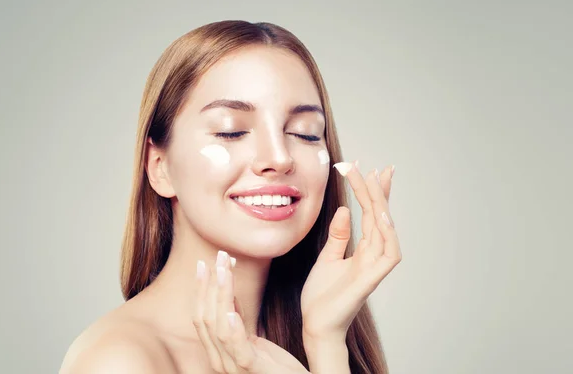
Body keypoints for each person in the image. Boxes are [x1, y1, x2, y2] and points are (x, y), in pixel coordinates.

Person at [59, 20, 401, 374]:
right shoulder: (120, 361)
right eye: (231, 130)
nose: (279, 158)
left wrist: (325, 342)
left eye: (306, 133)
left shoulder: (313, 336)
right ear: (159, 167)